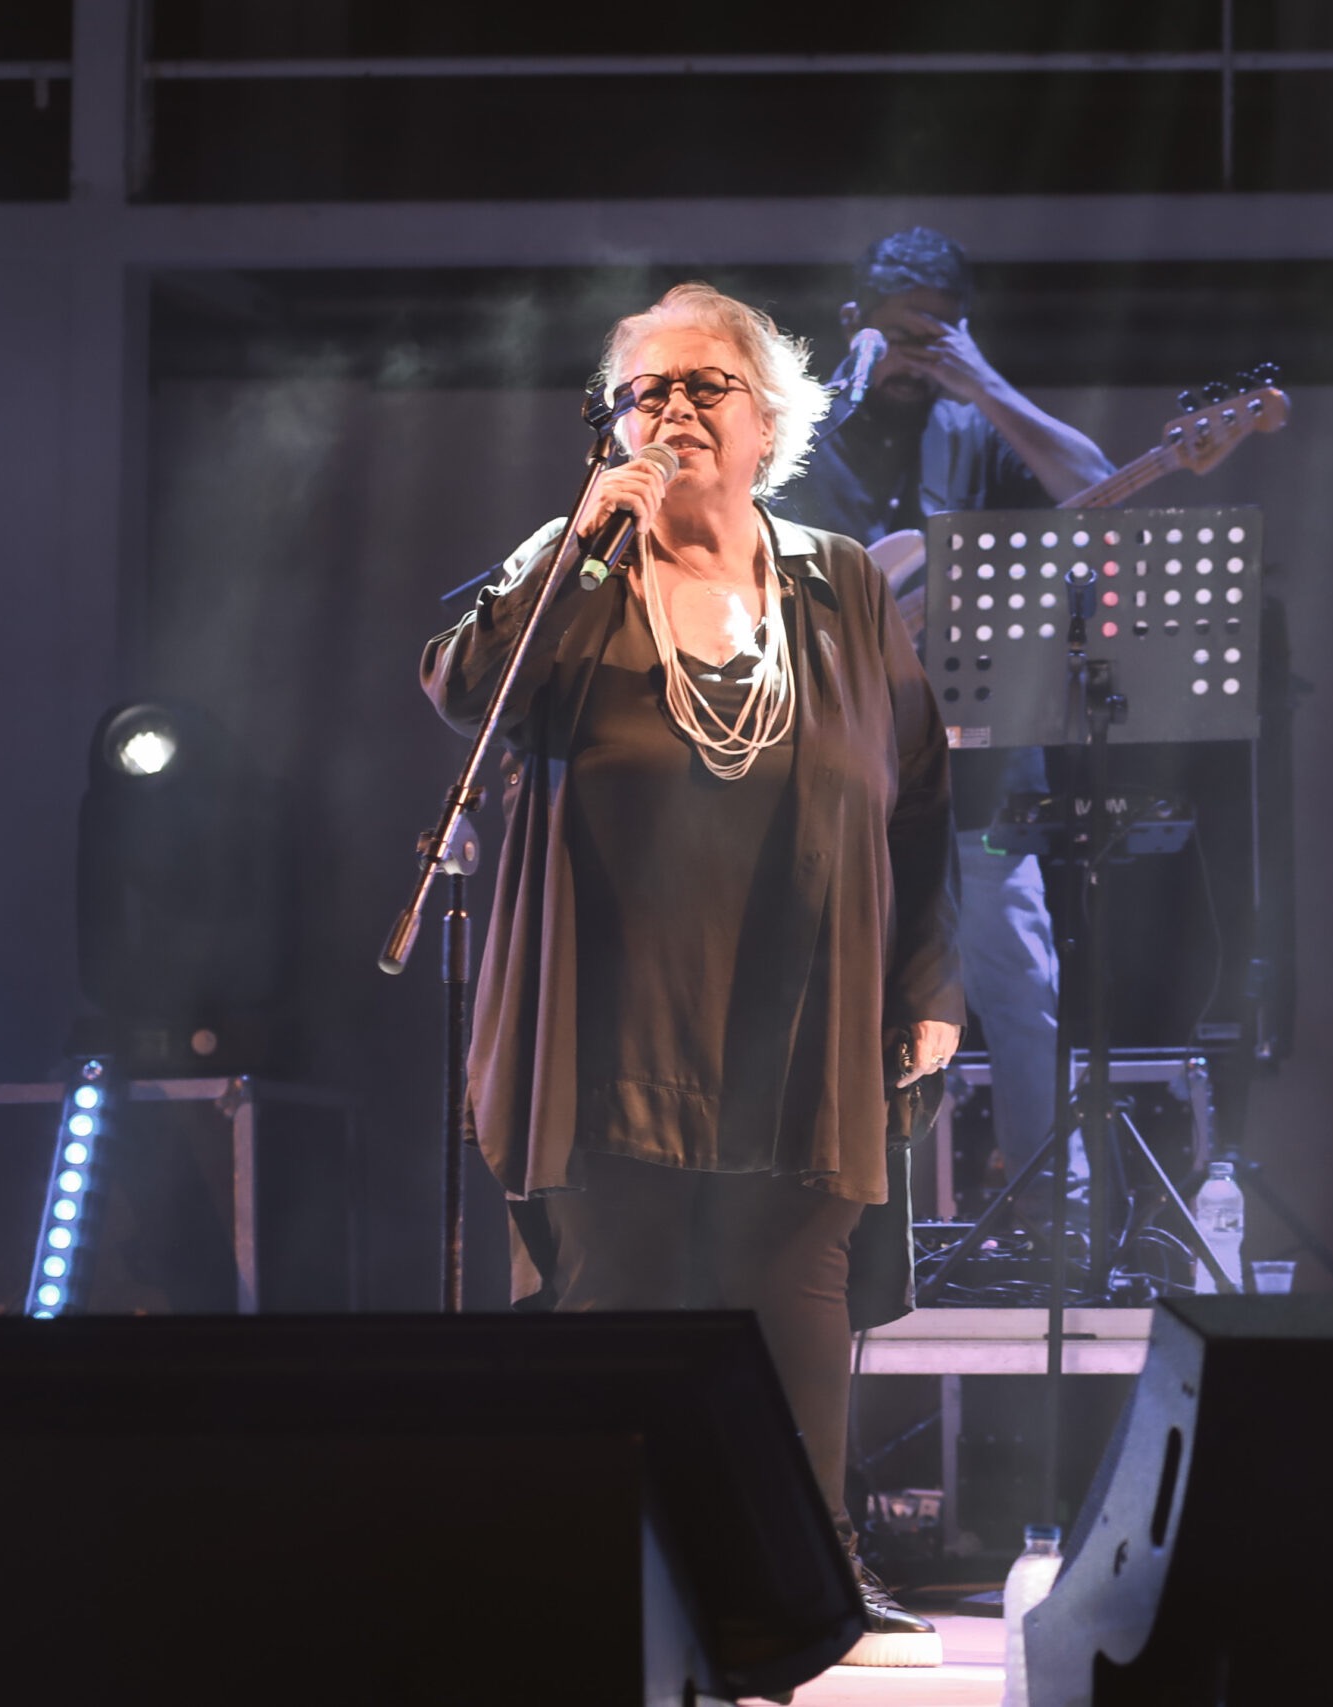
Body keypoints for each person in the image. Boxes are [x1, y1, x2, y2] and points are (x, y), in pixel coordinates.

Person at [422, 282, 961, 1669]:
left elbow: (918, 803)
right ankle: (613, 1559)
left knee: (797, 1288)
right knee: (622, 1285)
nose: (671, 410)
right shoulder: (577, 567)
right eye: (644, 391)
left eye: (703, 384)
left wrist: (931, 982)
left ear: (767, 420)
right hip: (611, 1011)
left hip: (806, 1004)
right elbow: (464, 691)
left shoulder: (842, 583)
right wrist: (574, 548)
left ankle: (808, 1575)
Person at [776, 227, 1113, 1218]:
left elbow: (1097, 489)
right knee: (829, 1002)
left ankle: (1053, 1223)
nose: (921, 355)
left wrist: (986, 385)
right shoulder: (805, 438)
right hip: (837, 776)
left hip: (979, 777)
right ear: (856, 324)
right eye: (904, 333)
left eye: (942, 334)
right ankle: (842, 1219)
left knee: (1023, 988)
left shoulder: (975, 431)